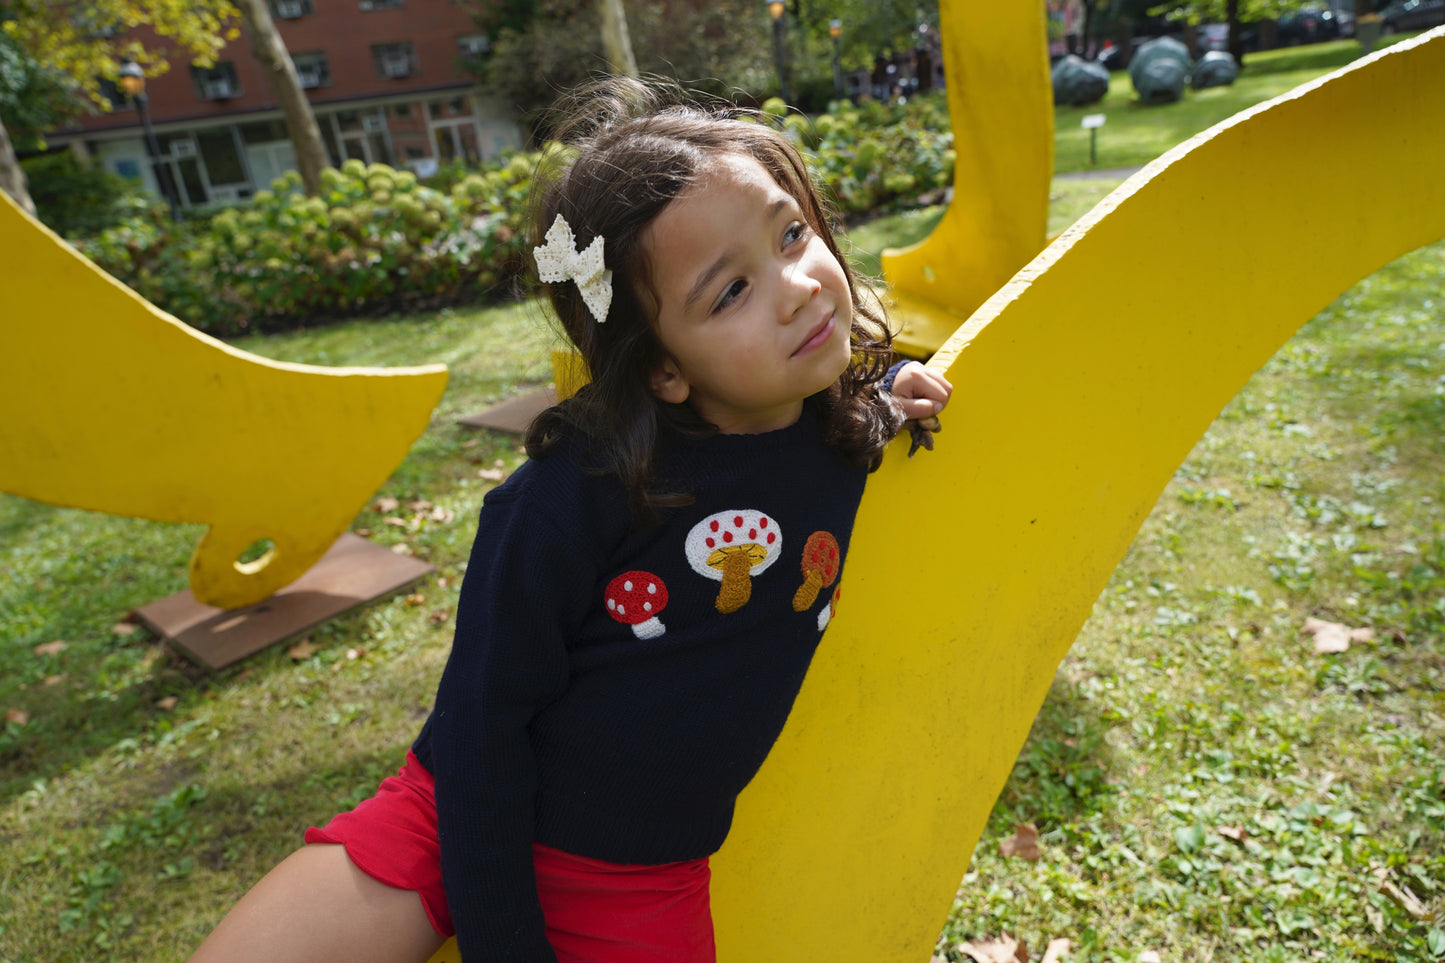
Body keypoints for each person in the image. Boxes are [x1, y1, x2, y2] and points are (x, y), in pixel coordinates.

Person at [189, 78, 952, 963]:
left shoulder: (834, 424)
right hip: (452, 814)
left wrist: (888, 387)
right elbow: (480, 721)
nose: (795, 287)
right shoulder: (571, 495)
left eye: (789, 233)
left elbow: (852, 393)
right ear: (661, 369)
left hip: (635, 877)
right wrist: (505, 938)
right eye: (729, 292)